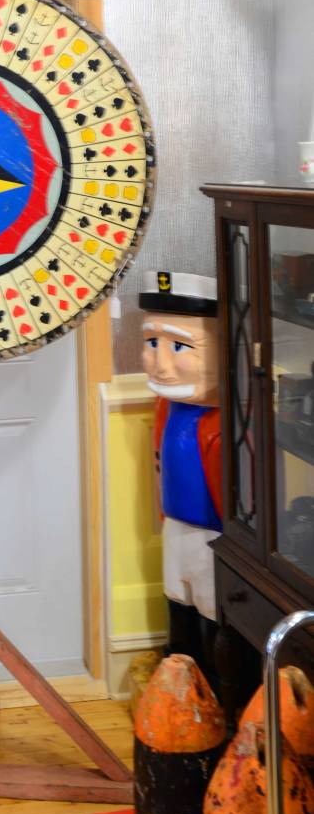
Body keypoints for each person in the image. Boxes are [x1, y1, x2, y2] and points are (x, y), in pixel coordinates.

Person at [139, 271, 222, 685]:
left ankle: (214, 682)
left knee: (211, 602)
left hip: (214, 533)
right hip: (175, 523)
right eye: (152, 343)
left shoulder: (228, 422)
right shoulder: (166, 407)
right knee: (177, 593)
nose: (161, 363)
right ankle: (180, 672)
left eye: (180, 346)